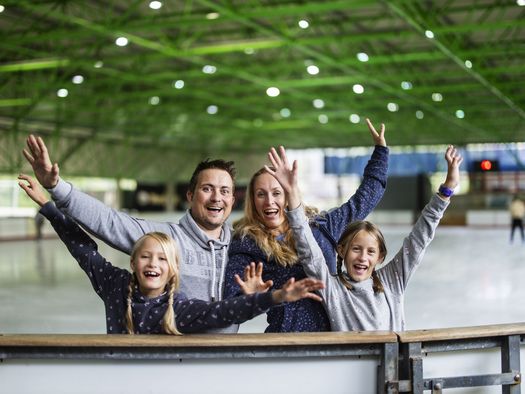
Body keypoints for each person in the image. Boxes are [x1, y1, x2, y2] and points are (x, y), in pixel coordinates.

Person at [18, 174, 325, 335]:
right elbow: (86, 251)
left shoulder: (177, 308)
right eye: (147, 257)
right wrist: (50, 203)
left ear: (173, 269)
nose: (153, 264)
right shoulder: (117, 286)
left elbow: (222, 313)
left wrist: (272, 298)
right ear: (133, 259)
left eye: (163, 259)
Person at [23, 136, 237, 332]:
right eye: (207, 188)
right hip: (175, 359)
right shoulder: (163, 239)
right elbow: (109, 221)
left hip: (224, 362)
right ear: (190, 195)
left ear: (232, 200)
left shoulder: (243, 246)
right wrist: (56, 187)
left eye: (224, 191)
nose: (217, 197)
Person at [224, 118, 389, 332]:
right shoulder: (248, 243)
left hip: (338, 336)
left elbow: (365, 199)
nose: (269, 201)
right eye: (261, 194)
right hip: (288, 343)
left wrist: (381, 153)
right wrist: (253, 298)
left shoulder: (322, 226)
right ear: (252, 201)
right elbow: (231, 297)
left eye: (277, 192)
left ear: (289, 193)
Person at [292, 145, 462, 331]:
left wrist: (447, 189)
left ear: (380, 257)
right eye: (356, 249)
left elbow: (418, 240)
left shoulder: (391, 281)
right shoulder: (333, 289)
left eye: (371, 251)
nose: (363, 257)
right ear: (341, 250)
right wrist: (292, 197)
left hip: (392, 360)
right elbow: (309, 253)